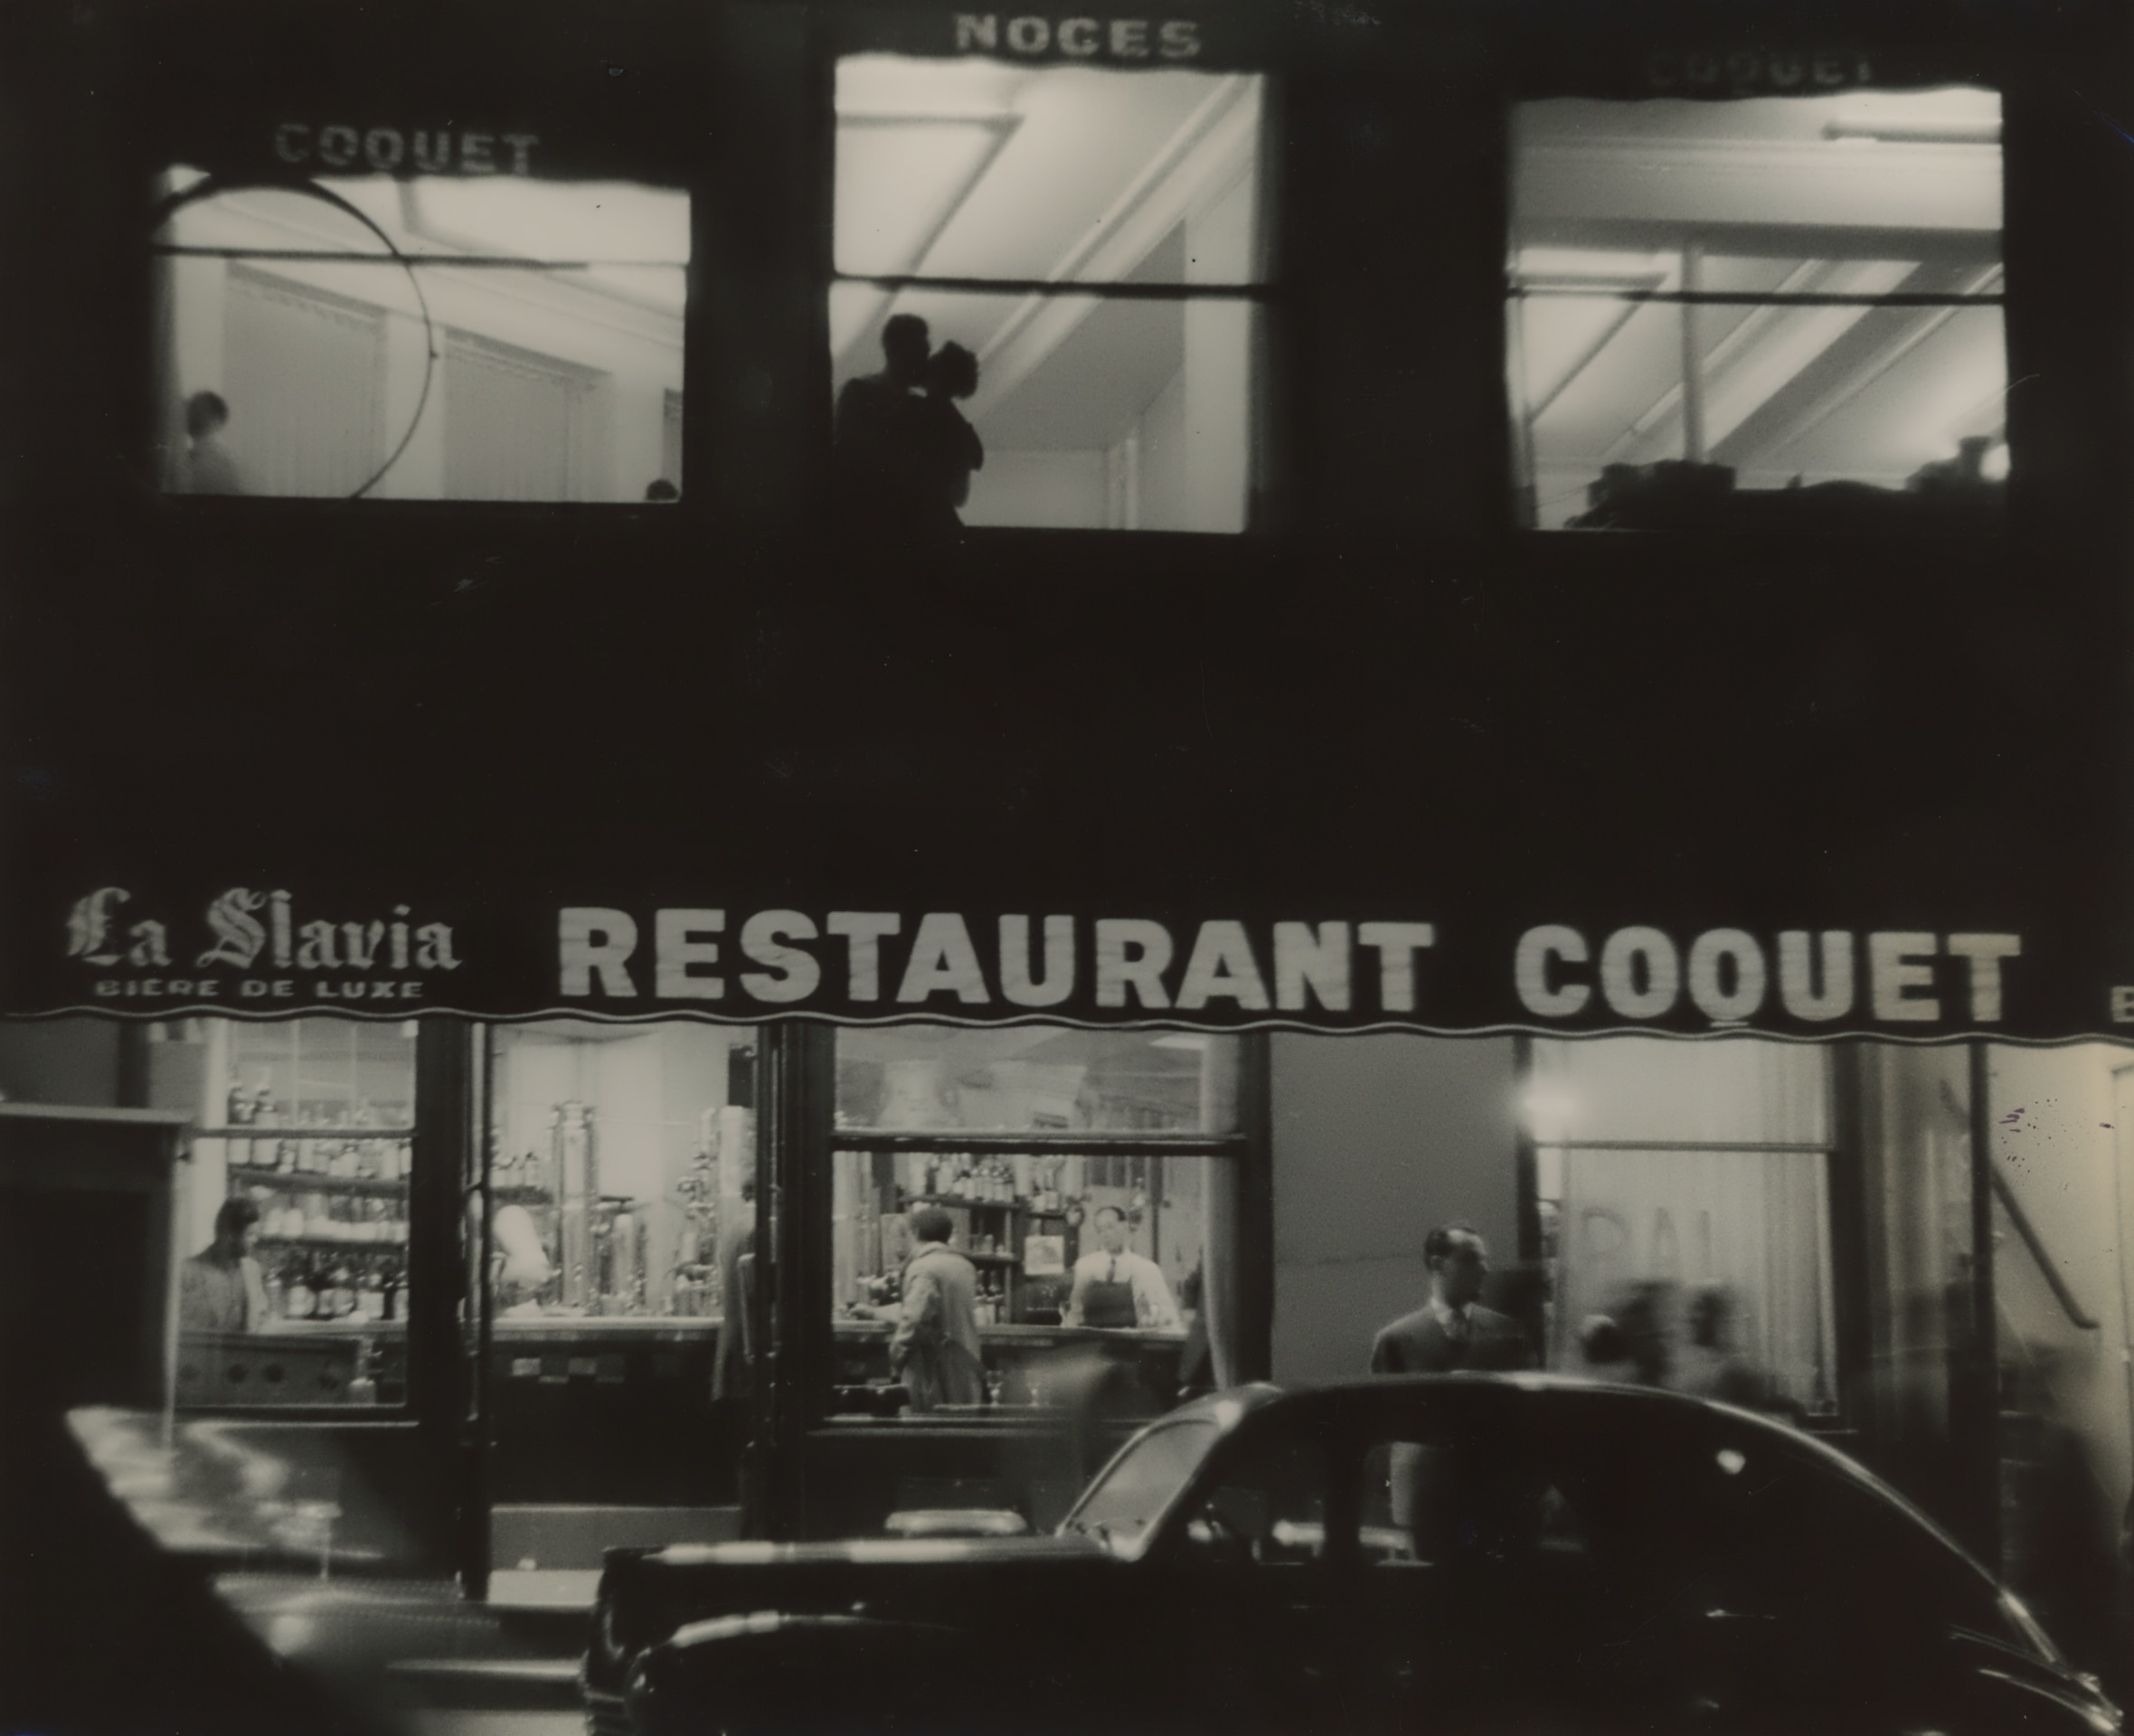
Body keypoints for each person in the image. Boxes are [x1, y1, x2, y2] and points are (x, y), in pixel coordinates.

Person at [1370, 1222, 1532, 1373]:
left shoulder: (1509, 1333)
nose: (1484, 1269)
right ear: (1438, 1265)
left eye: (1483, 1260)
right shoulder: (1395, 1342)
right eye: (1470, 1259)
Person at [833, 313, 930, 527]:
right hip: (865, 517)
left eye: (923, 354)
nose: (923, 362)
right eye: (916, 354)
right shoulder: (859, 392)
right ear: (893, 351)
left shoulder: (918, 406)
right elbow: (846, 457)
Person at [890, 1205, 984, 1413]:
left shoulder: (923, 1267)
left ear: (915, 1233)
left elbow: (915, 1320)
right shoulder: (965, 1266)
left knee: (925, 1431)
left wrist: (896, 1355)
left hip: (932, 1374)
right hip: (965, 1368)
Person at [1063, 1204, 1181, 1330]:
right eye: (1100, 1230)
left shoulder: (1147, 1269)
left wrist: (1154, 1320)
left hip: (1131, 1339)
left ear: (1124, 1226)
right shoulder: (1085, 1266)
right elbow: (1072, 1311)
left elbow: (1169, 1316)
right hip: (1091, 1339)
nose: (1105, 1235)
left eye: (1110, 1227)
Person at [912, 340, 984, 533]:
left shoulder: (920, 412)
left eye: (934, 363)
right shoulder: (959, 425)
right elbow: (959, 497)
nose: (928, 364)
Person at [178, 1197, 269, 1334]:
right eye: (250, 1234)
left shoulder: (253, 1270)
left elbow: (261, 1317)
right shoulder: (188, 1271)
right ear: (229, 1235)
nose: (255, 1240)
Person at [183, 391, 244, 495]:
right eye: (192, 410)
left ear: (216, 420)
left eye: (199, 411)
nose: (193, 415)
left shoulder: (227, 464)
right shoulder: (183, 458)